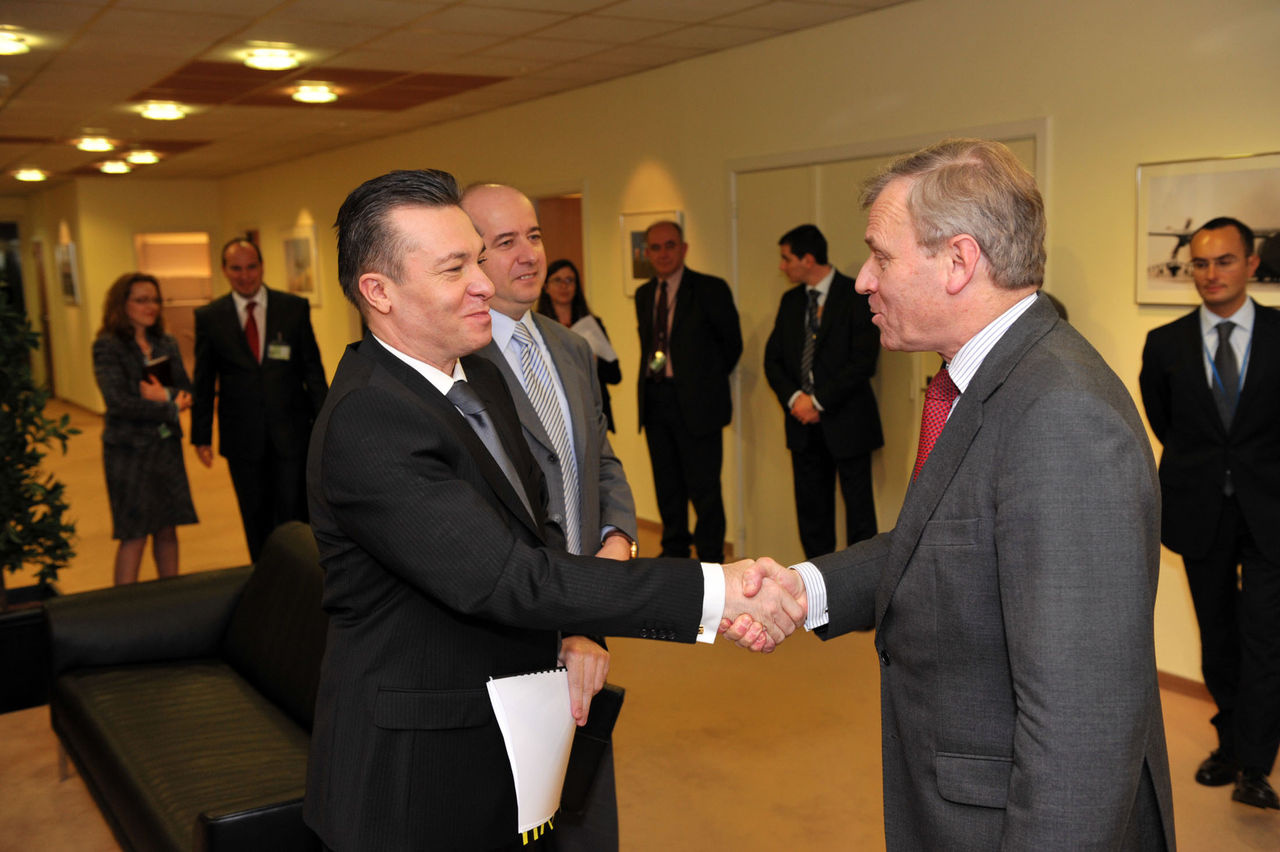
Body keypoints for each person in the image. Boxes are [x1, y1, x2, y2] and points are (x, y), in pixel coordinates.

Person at [304, 168, 802, 851]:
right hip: (417, 768)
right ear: (378, 292)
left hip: (507, 720)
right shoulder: (371, 419)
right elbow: (508, 577)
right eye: (455, 268)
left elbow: (539, 529)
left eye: (479, 259)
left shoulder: (479, 376)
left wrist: (578, 624)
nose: (484, 284)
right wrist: (715, 590)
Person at [730, 139, 1176, 849]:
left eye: (880, 257)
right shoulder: (985, 379)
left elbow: (1082, 730)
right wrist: (804, 588)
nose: (862, 281)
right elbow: (940, 541)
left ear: (959, 262)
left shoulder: (1062, 416)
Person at [462, 184, 634, 850]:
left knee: (581, 787)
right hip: (515, 614)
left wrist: (618, 538)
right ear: (473, 257)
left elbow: (601, 460)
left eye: (533, 236)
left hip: (588, 597)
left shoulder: (570, 347)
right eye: (505, 242)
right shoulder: (459, 363)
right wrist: (569, 617)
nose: (529, 254)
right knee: (512, 798)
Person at [1139, 216, 1280, 810]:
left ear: (1251, 264)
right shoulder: (1165, 343)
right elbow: (1164, 420)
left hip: (1271, 513)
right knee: (1218, 635)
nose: (1210, 273)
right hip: (1200, 512)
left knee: (1266, 637)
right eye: (1200, 263)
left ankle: (1255, 765)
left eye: (1224, 260)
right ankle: (1230, 743)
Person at [191, 238, 328, 562]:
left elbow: (312, 371)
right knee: (255, 516)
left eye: (251, 267)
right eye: (236, 268)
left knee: (295, 514)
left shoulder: (293, 308)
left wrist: (325, 424)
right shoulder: (210, 317)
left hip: (292, 432)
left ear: (262, 267)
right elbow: (204, 379)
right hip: (241, 436)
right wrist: (201, 434)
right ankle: (263, 576)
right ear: (224, 270)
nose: (245, 276)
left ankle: (300, 576)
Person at [763, 223, 883, 558]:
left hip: (848, 422)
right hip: (802, 427)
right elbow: (773, 360)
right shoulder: (790, 301)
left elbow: (863, 361)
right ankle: (816, 583)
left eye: (787, 259)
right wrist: (796, 400)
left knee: (860, 516)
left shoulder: (855, 296)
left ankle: (861, 585)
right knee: (812, 516)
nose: (782, 266)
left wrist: (817, 401)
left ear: (808, 259)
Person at [634, 221, 742, 562]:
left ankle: (712, 562)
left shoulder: (710, 289)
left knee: (705, 491)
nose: (663, 254)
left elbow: (732, 345)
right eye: (655, 248)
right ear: (647, 253)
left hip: (699, 406)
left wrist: (701, 382)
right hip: (656, 401)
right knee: (667, 488)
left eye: (670, 245)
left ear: (683, 248)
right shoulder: (644, 294)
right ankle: (674, 557)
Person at [91, 272, 198, 585]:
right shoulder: (108, 346)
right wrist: (169, 404)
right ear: (121, 304)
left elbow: (186, 391)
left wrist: (162, 396)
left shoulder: (166, 342)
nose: (150, 306)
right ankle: (125, 606)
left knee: (168, 529)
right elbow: (118, 403)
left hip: (166, 447)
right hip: (128, 453)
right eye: (141, 300)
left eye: (154, 300)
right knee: (134, 534)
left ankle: (170, 598)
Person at [536, 258, 623, 432]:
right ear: (545, 286)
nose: (564, 286)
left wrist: (593, 361)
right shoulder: (537, 326)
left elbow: (615, 375)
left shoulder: (593, 325)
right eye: (557, 280)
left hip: (592, 410)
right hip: (555, 411)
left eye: (570, 280)